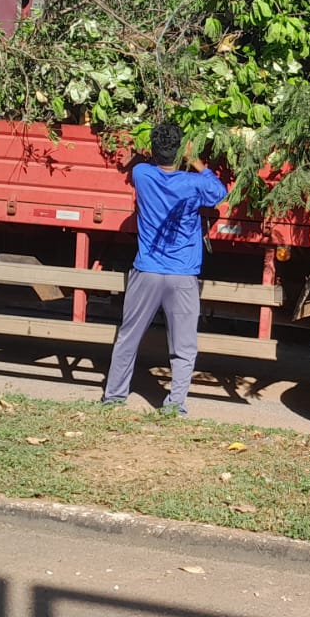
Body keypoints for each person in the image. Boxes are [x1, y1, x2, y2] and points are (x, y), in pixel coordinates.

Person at [101, 122, 228, 414]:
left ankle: (114, 398)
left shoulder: (142, 175)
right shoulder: (192, 184)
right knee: (183, 347)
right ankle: (174, 406)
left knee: (128, 337)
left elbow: (138, 162)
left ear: (152, 151)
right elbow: (219, 192)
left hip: (147, 272)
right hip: (182, 276)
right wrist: (195, 159)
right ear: (181, 150)